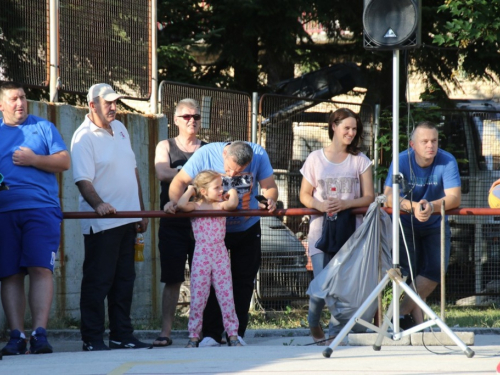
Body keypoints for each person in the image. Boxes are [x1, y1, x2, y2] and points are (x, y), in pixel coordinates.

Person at [166, 141, 278, 346]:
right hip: (211, 237)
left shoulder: (260, 155)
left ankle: (236, 333)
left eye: (239, 172)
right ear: (225, 153)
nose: (232, 175)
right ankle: (210, 334)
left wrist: (268, 200)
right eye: (228, 169)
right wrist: (176, 203)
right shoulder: (206, 154)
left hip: (246, 228)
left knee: (242, 281)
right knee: (204, 286)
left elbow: (269, 187)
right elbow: (178, 182)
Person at [71, 83, 150, 351]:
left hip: (128, 219)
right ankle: (92, 338)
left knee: (124, 282)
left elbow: (134, 172)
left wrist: (140, 209)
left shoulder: (121, 129)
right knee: (98, 281)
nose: (114, 107)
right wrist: (99, 204)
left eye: (116, 102)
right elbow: (83, 180)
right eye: (108, 103)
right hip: (103, 223)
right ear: (92, 105)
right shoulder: (83, 137)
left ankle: (121, 335)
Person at [0, 81, 71, 355]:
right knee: (10, 274)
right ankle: (16, 335)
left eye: (23, 98)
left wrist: (34, 160)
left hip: (40, 208)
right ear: (2, 104)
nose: (20, 103)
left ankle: (39, 333)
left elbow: (64, 161)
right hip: (4, 211)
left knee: (41, 268)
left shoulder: (43, 127)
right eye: (14, 99)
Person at [299, 108, 374, 345]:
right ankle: (313, 322)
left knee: (343, 287)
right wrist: (320, 205)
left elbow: (369, 196)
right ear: (334, 126)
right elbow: (304, 195)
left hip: (351, 233)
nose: (351, 133)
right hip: (321, 232)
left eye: (354, 129)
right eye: (347, 128)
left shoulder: (360, 160)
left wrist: (346, 204)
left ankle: (335, 332)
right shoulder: (315, 159)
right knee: (321, 285)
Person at [384, 121, 461, 328]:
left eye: (434, 140)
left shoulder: (447, 160)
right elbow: (389, 195)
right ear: (412, 144)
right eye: (425, 141)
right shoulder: (400, 160)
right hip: (405, 224)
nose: (430, 145)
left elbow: (454, 197)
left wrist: (430, 206)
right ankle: (416, 326)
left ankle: (397, 315)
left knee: (435, 271)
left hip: (436, 224)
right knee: (408, 273)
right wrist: (413, 206)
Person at [153, 98, 206, 347]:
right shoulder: (165, 145)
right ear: (176, 120)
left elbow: (218, 178)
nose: (192, 121)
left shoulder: (207, 147)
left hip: (201, 223)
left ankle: (201, 331)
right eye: (186, 117)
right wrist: (196, 175)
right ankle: (166, 332)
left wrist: (183, 173)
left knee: (202, 278)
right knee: (173, 279)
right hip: (172, 222)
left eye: (195, 116)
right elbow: (162, 172)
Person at [177, 170, 241, 348]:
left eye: (222, 186)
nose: (221, 190)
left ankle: (232, 333)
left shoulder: (221, 204)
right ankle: (194, 334)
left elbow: (232, 204)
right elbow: (181, 205)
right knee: (198, 296)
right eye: (217, 187)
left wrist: (232, 191)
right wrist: (190, 190)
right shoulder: (195, 207)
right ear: (204, 191)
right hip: (201, 254)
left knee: (226, 294)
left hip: (219, 253)